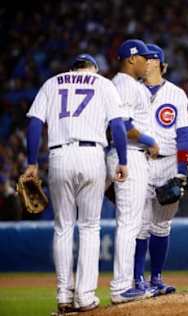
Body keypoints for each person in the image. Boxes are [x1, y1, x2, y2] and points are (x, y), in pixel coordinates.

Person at [22, 54, 128, 313]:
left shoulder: (52, 83)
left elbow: (35, 123)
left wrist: (32, 162)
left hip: (59, 155)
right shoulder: (103, 83)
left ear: (72, 69)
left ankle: (63, 296)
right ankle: (85, 296)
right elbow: (117, 125)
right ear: (93, 69)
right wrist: (122, 160)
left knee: (63, 227)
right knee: (90, 227)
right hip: (92, 155)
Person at [133, 43, 188, 296]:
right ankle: (136, 279)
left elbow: (185, 135)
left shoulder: (177, 93)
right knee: (139, 225)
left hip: (169, 162)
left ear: (156, 62)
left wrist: (182, 171)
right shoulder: (131, 91)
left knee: (162, 225)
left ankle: (156, 277)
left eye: (145, 59)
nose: (140, 63)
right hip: (140, 161)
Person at [106, 39, 160, 304]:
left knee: (133, 223)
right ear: (131, 59)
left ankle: (126, 284)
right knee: (128, 223)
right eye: (144, 58)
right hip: (128, 155)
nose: (147, 62)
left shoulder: (129, 85)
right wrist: (149, 141)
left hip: (134, 157)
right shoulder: (124, 84)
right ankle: (120, 287)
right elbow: (123, 124)